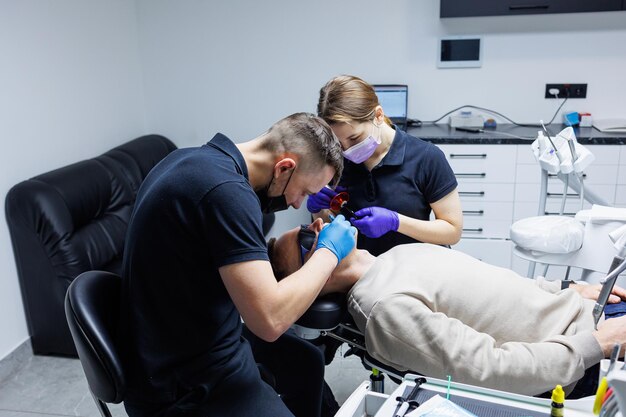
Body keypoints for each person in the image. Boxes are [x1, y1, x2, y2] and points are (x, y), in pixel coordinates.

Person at [119, 112, 357, 417]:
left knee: (306, 361)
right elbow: (270, 321)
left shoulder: (192, 160)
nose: (299, 204)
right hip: (183, 381)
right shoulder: (226, 194)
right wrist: (329, 253)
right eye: (305, 192)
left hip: (181, 340)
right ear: (285, 167)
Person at [268, 218, 626, 398]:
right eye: (306, 240)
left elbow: (497, 287)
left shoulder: (395, 255)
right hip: (588, 356)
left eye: (303, 226)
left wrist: (567, 289)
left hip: (586, 311)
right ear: (309, 280)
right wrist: (600, 343)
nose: (317, 223)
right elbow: (493, 370)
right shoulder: (385, 308)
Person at [309, 74, 462, 256]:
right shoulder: (337, 162)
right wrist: (319, 210)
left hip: (414, 270)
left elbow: (452, 231)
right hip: (362, 273)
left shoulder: (426, 157)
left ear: (378, 115)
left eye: (354, 138)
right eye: (339, 143)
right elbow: (330, 223)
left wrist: (396, 222)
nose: (347, 150)